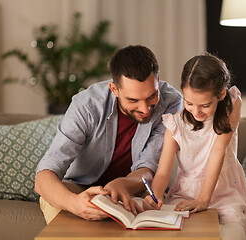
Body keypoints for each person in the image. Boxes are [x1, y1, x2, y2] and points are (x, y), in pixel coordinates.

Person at [34, 45, 182, 224]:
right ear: (114, 89)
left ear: (157, 79)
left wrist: (122, 184)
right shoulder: (86, 105)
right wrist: (75, 203)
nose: (145, 109)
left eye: (152, 96)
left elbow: (149, 166)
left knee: (157, 207)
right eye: (133, 100)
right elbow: (44, 176)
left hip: (133, 186)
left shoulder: (171, 102)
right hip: (81, 185)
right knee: (53, 200)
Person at [143, 53, 246, 240]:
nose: (196, 111)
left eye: (205, 105)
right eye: (189, 103)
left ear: (221, 94)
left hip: (223, 190)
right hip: (185, 193)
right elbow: (163, 172)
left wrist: (204, 200)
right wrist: (155, 196)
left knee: (235, 234)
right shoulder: (175, 123)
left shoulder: (231, 105)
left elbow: (218, 151)